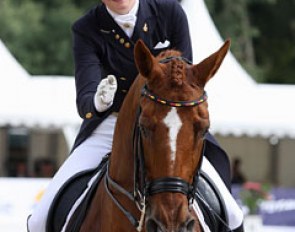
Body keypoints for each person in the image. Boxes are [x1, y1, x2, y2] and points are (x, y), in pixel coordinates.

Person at [27, 0, 244, 231]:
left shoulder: (170, 13)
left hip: (166, 125)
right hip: (109, 126)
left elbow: (185, 80)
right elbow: (85, 100)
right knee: (39, 219)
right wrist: (99, 102)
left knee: (232, 214)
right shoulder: (87, 28)